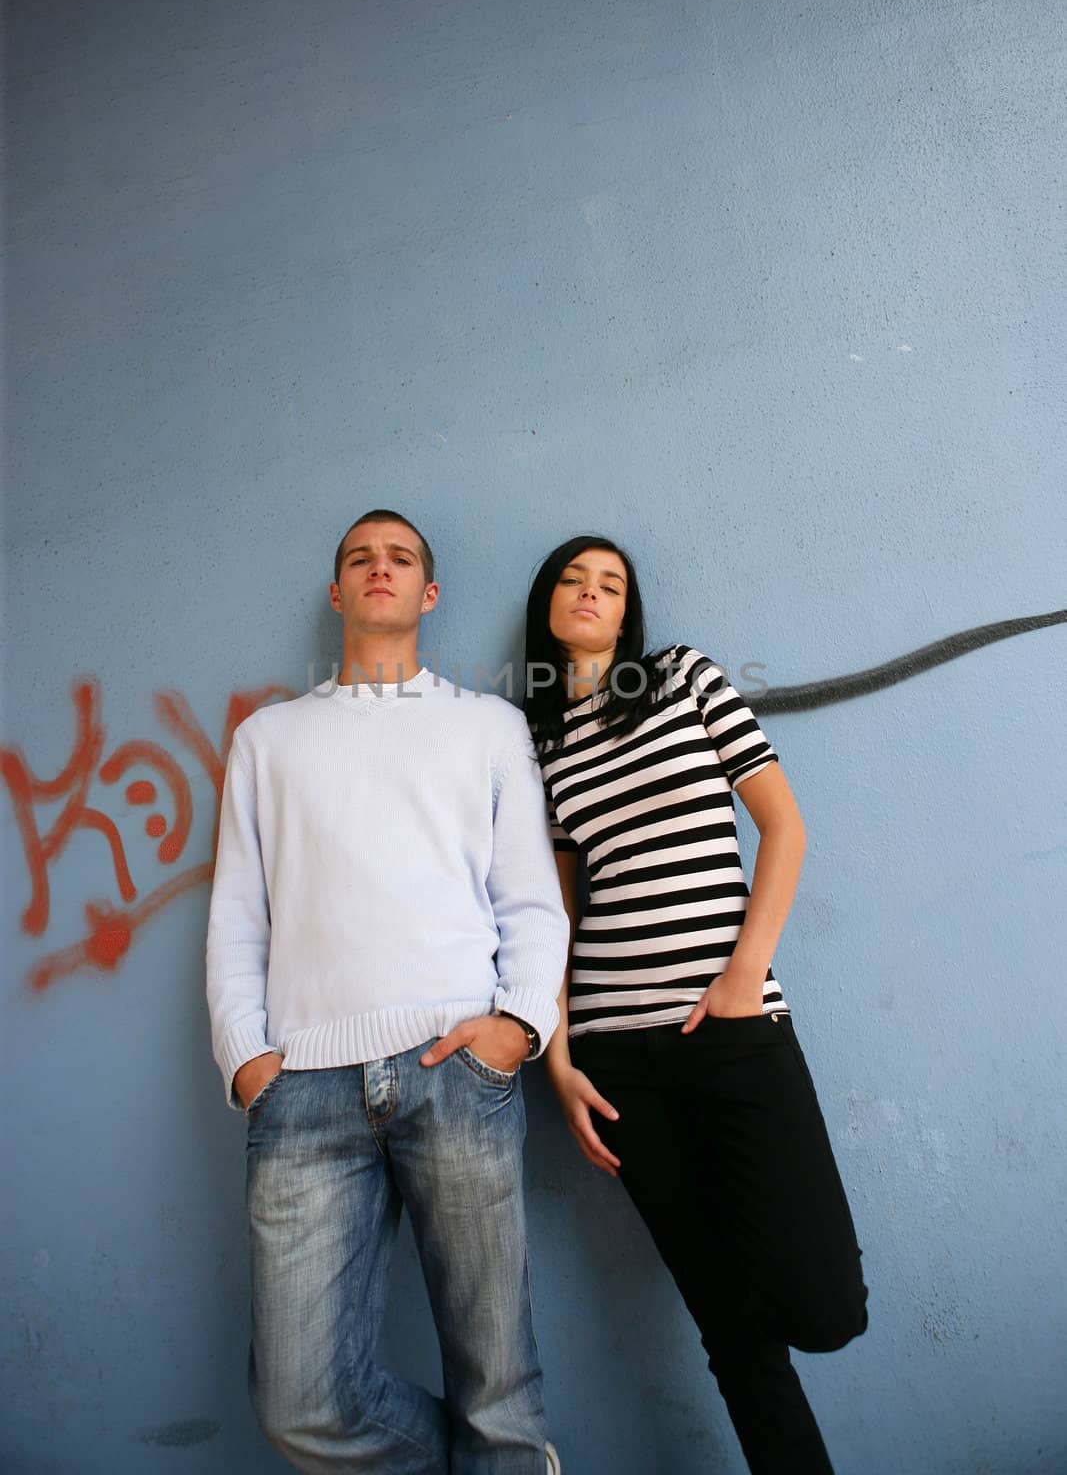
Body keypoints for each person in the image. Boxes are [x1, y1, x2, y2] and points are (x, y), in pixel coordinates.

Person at [206, 509, 568, 1475]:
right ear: (336, 592)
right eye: (360, 559)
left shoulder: (487, 726)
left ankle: (510, 1457)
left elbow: (532, 901)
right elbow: (239, 914)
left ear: (428, 593)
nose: (379, 569)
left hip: (458, 1071)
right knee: (300, 1403)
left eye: (399, 558)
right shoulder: (268, 738)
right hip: (302, 1095)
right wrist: (248, 1060)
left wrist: (517, 1027)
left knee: (497, 1384)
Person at [523, 534, 868, 1475]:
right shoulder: (539, 742)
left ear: (628, 614)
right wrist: (558, 1063)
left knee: (827, 1307)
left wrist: (743, 975)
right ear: (546, 604)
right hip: (616, 1060)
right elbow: (556, 910)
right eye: (572, 580)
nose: (590, 594)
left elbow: (782, 825)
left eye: (610, 585)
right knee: (730, 1337)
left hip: (733, 1029)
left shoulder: (683, 678)